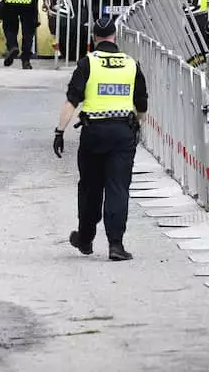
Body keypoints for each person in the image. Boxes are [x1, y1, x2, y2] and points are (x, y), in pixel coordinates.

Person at [53, 16, 147, 262]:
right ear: (115, 37)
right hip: (122, 132)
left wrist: (59, 131)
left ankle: (85, 238)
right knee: (118, 188)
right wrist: (137, 127)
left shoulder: (87, 63)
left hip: (93, 132)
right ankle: (116, 245)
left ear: (94, 38)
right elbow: (142, 104)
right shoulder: (130, 64)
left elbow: (72, 100)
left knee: (90, 188)